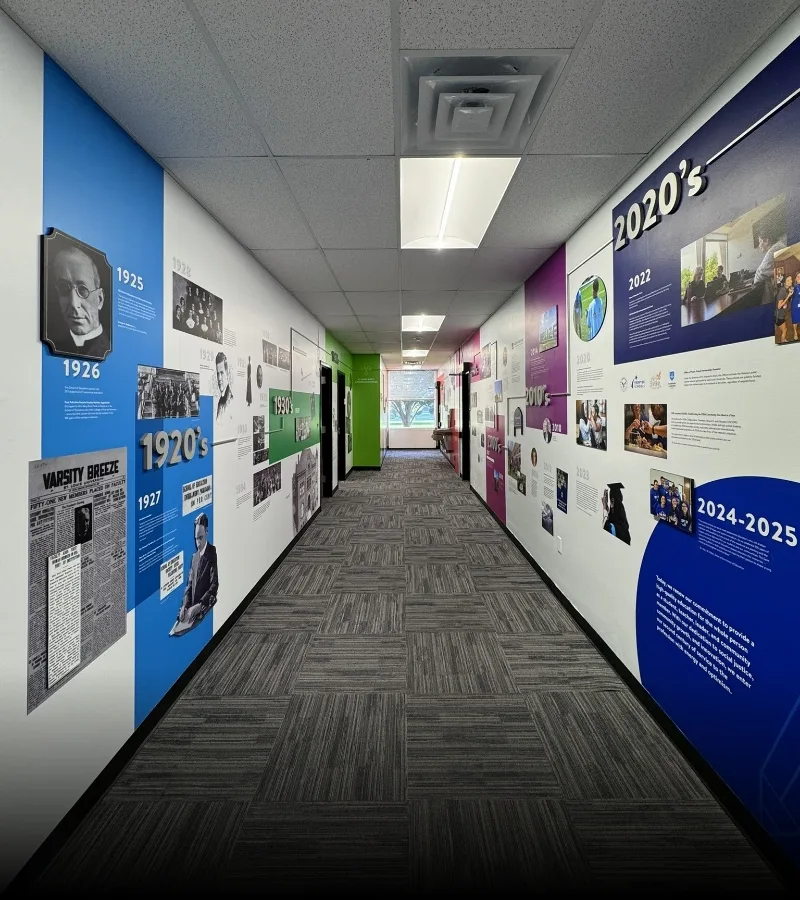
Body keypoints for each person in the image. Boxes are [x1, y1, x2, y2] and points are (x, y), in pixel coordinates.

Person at [51, 246, 109, 357]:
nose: (74, 304)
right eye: (64, 289)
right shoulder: (57, 345)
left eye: (83, 290)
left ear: (100, 299)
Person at [176, 512, 218, 630]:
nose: (198, 543)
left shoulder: (212, 552)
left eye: (201, 538)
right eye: (196, 539)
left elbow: (214, 583)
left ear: (207, 532)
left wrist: (200, 605)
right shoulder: (194, 558)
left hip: (203, 609)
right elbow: (189, 586)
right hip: (191, 612)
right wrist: (185, 605)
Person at [215, 351, 234, 420]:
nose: (219, 378)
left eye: (222, 373)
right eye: (218, 374)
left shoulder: (231, 401)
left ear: (227, 374)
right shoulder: (221, 400)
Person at [775, 274, 793, 342]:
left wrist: (790, 293)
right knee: (784, 330)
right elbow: (779, 306)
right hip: (779, 316)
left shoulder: (786, 289)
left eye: (791, 279)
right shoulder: (782, 291)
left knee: (784, 329)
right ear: (785, 282)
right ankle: (783, 342)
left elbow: (784, 303)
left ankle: (783, 340)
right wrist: (788, 296)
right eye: (788, 280)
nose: (790, 281)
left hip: (781, 314)